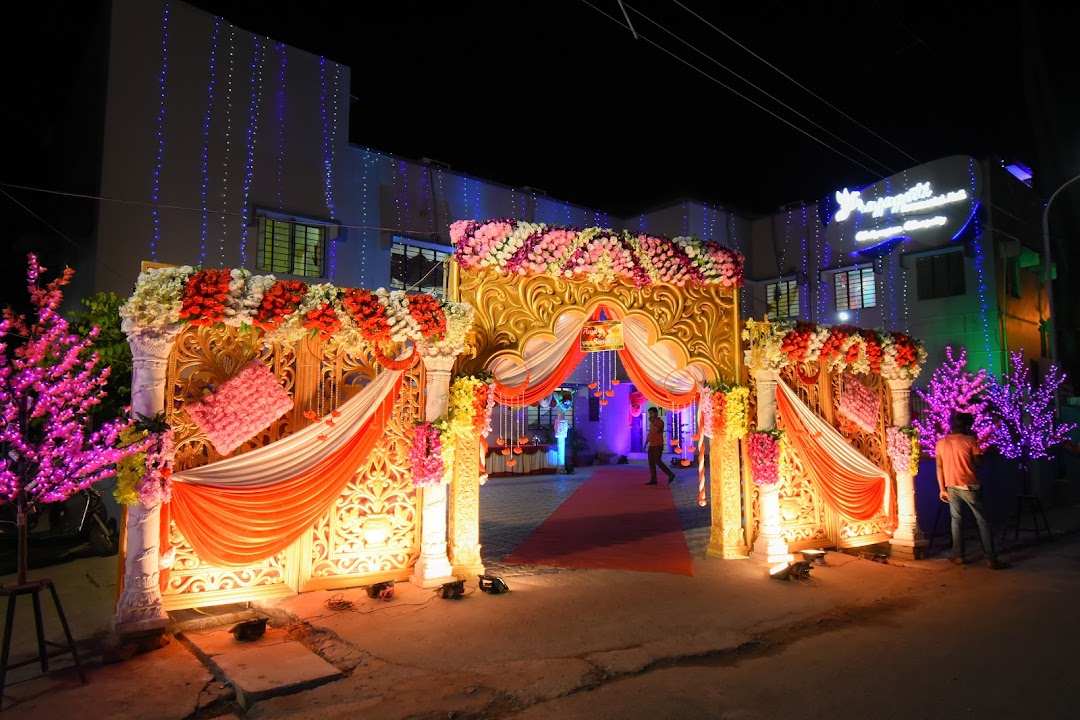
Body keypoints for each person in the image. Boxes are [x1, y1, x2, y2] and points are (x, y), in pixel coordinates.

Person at [936, 412, 1007, 569]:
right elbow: (979, 462)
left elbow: (939, 467)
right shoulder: (970, 440)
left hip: (951, 486)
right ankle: (990, 558)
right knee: (982, 522)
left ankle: (959, 556)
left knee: (956, 522)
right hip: (969, 485)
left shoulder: (941, 442)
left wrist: (942, 489)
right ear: (967, 426)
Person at [645, 406, 676, 485]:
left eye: (651, 413)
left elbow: (658, 430)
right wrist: (646, 442)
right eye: (649, 413)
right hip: (651, 445)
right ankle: (653, 480)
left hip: (658, 445)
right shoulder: (652, 423)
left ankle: (670, 474)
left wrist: (652, 422)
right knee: (651, 462)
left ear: (656, 413)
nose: (650, 415)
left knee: (657, 461)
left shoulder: (660, 421)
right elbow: (650, 433)